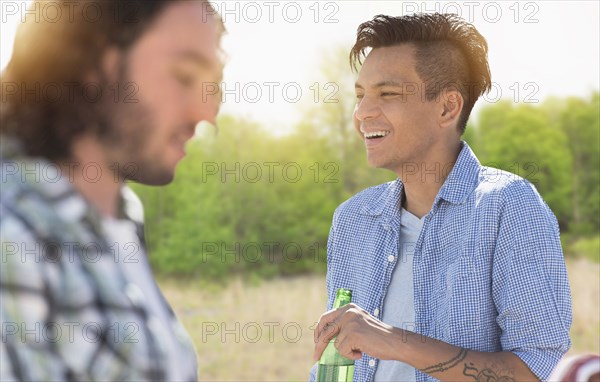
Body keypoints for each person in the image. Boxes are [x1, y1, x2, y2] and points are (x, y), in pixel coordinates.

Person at [312, 13, 572, 382]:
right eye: (360, 96)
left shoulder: (510, 207)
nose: (362, 113)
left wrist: (394, 340)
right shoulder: (352, 219)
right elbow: (336, 365)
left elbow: (533, 371)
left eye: (387, 94)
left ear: (447, 107)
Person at [0, 0, 224, 380]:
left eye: (214, 85)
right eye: (184, 77)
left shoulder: (121, 215)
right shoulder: (14, 237)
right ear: (93, 67)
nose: (207, 113)